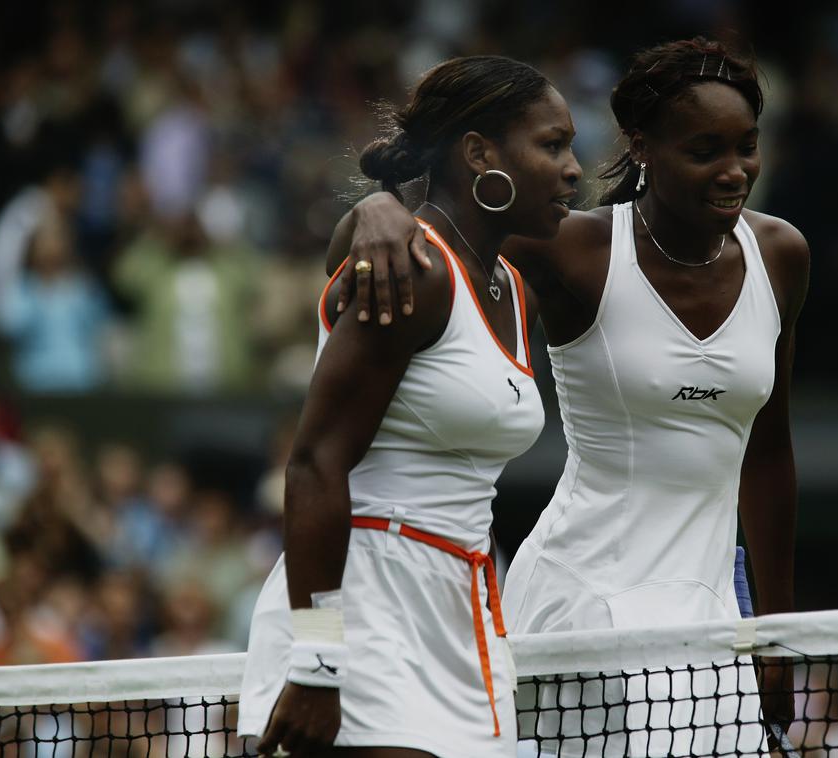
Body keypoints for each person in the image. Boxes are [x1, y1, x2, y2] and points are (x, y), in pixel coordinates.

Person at [332, 36, 808, 757]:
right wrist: (378, 210)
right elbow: (443, 233)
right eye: (705, 150)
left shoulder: (782, 256)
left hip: (709, 608)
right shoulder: (571, 247)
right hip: (583, 599)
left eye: (747, 146)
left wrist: (774, 633)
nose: (733, 170)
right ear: (643, 147)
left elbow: (768, 456)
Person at [236, 55, 580, 758]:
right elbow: (312, 467)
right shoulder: (413, 273)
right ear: (480, 154)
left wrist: (377, 206)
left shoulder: (516, 288)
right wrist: (317, 661)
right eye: (551, 145)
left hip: (465, 611)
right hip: (363, 603)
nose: (573, 167)